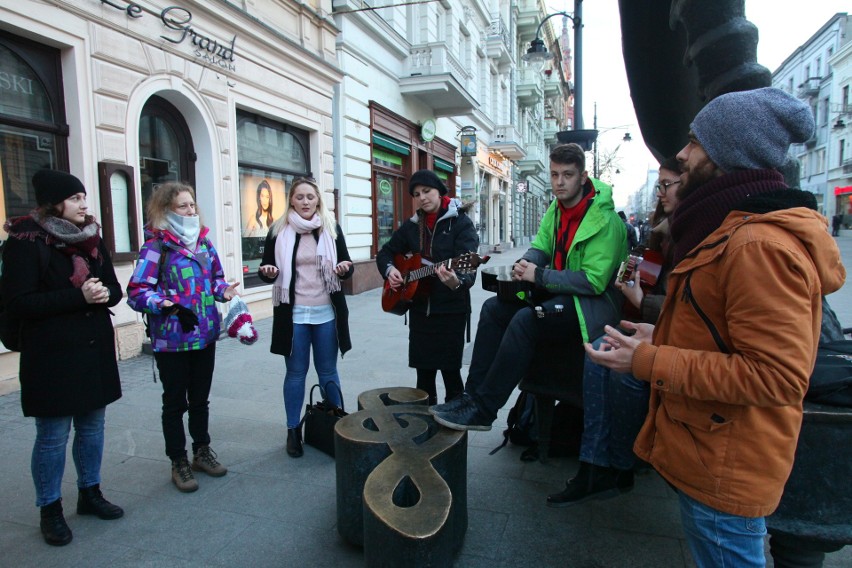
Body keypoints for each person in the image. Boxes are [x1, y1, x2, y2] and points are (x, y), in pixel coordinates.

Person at [585, 87, 846, 567]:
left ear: (730, 153)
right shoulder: (712, 227)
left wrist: (648, 357)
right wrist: (657, 333)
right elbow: (715, 326)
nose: (683, 155)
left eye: (696, 142)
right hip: (711, 448)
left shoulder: (757, 245)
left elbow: (777, 377)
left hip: (729, 459)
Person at [430, 143, 627, 431]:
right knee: (493, 308)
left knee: (527, 320)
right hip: (560, 295)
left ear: (583, 177)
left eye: (568, 175)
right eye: (555, 174)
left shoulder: (605, 220)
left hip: (590, 307)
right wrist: (525, 264)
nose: (559, 182)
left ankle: (485, 410)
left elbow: (593, 282)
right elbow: (540, 247)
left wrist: (540, 275)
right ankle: (470, 399)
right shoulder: (555, 209)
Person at [547, 156, 682, 507]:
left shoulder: (693, 234)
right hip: (645, 325)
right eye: (660, 186)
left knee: (624, 375)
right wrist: (627, 272)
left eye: (668, 185)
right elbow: (632, 269)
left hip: (677, 337)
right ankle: (593, 465)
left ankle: (622, 463)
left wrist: (642, 299)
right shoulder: (660, 229)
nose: (661, 193)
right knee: (599, 354)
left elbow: (690, 304)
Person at [1, 169, 124, 546]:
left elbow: (115, 290)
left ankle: (90, 492)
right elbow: (18, 302)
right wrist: (79, 297)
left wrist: (105, 294)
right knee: (53, 436)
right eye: (75, 198)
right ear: (54, 203)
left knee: (92, 427)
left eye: (84, 196)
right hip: (51, 355)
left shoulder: (91, 237)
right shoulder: (25, 240)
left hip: (93, 348)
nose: (84, 203)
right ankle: (49, 508)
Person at [127, 182, 237, 492]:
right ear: (165, 211)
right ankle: (178, 460)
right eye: (183, 206)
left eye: (193, 205)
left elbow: (215, 280)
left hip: (204, 335)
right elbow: (137, 292)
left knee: (200, 398)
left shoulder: (203, 243)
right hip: (172, 339)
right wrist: (161, 303)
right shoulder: (155, 247)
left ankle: (201, 450)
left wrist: (224, 291)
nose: (191, 211)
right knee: (175, 402)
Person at [257, 177, 353, 458]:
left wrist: (345, 269)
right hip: (294, 315)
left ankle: (336, 425)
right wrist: (269, 272)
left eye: (310, 197)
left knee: (328, 372)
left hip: (326, 314)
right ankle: (292, 431)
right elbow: (266, 266)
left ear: (318, 200)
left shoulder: (331, 228)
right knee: (296, 374)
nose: (305, 202)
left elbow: (345, 266)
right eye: (300, 197)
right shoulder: (278, 230)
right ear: (291, 200)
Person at [376, 170, 479, 406]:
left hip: (451, 312)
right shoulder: (412, 226)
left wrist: (457, 281)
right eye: (416, 193)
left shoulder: (460, 223)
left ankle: (454, 428)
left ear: (439, 191)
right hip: (420, 311)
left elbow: (468, 266)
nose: (422, 197)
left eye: (427, 191)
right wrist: (391, 270)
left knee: (451, 373)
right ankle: (425, 428)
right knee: (424, 376)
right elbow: (385, 252)